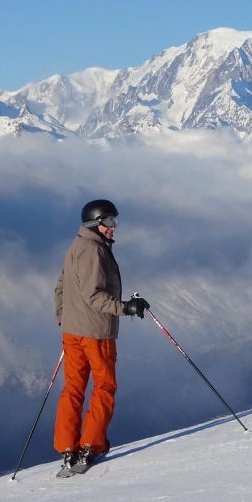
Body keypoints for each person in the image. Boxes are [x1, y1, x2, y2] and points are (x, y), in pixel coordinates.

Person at [53, 199, 149, 473]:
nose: (113, 228)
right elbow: (95, 296)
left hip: (72, 332)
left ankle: (67, 446)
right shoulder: (95, 251)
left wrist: (64, 318)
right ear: (96, 223)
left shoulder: (75, 247)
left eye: (114, 222)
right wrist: (126, 308)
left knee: (73, 388)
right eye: (108, 222)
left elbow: (60, 287)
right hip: (96, 333)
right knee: (104, 387)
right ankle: (91, 445)